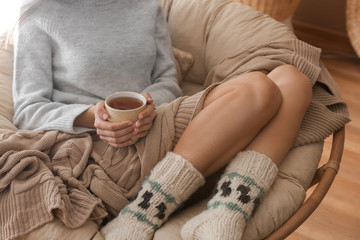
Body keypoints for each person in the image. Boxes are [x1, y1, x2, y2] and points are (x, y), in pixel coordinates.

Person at [11, 0, 313, 239]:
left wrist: (150, 107)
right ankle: (141, 214)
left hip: (156, 122)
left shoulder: (146, 5)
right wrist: (93, 116)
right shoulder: (39, 14)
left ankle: (227, 211)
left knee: (294, 80)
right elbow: (27, 109)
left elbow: (167, 79)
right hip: (98, 148)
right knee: (259, 88)